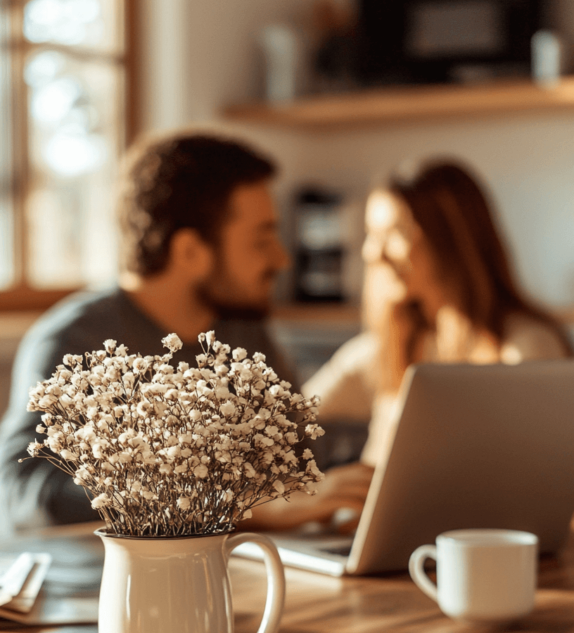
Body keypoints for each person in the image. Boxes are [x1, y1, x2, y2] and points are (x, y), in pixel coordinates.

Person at [0, 131, 370, 531]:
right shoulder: (74, 343)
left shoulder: (243, 333)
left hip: (249, 565)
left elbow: (297, 453)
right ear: (190, 252)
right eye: (262, 239)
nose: (280, 259)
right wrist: (240, 505)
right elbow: (22, 495)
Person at [303, 160, 570, 470]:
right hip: (367, 518)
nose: (372, 253)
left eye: (396, 233)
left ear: (452, 237)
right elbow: (287, 418)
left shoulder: (524, 348)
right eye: (371, 234)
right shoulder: (384, 348)